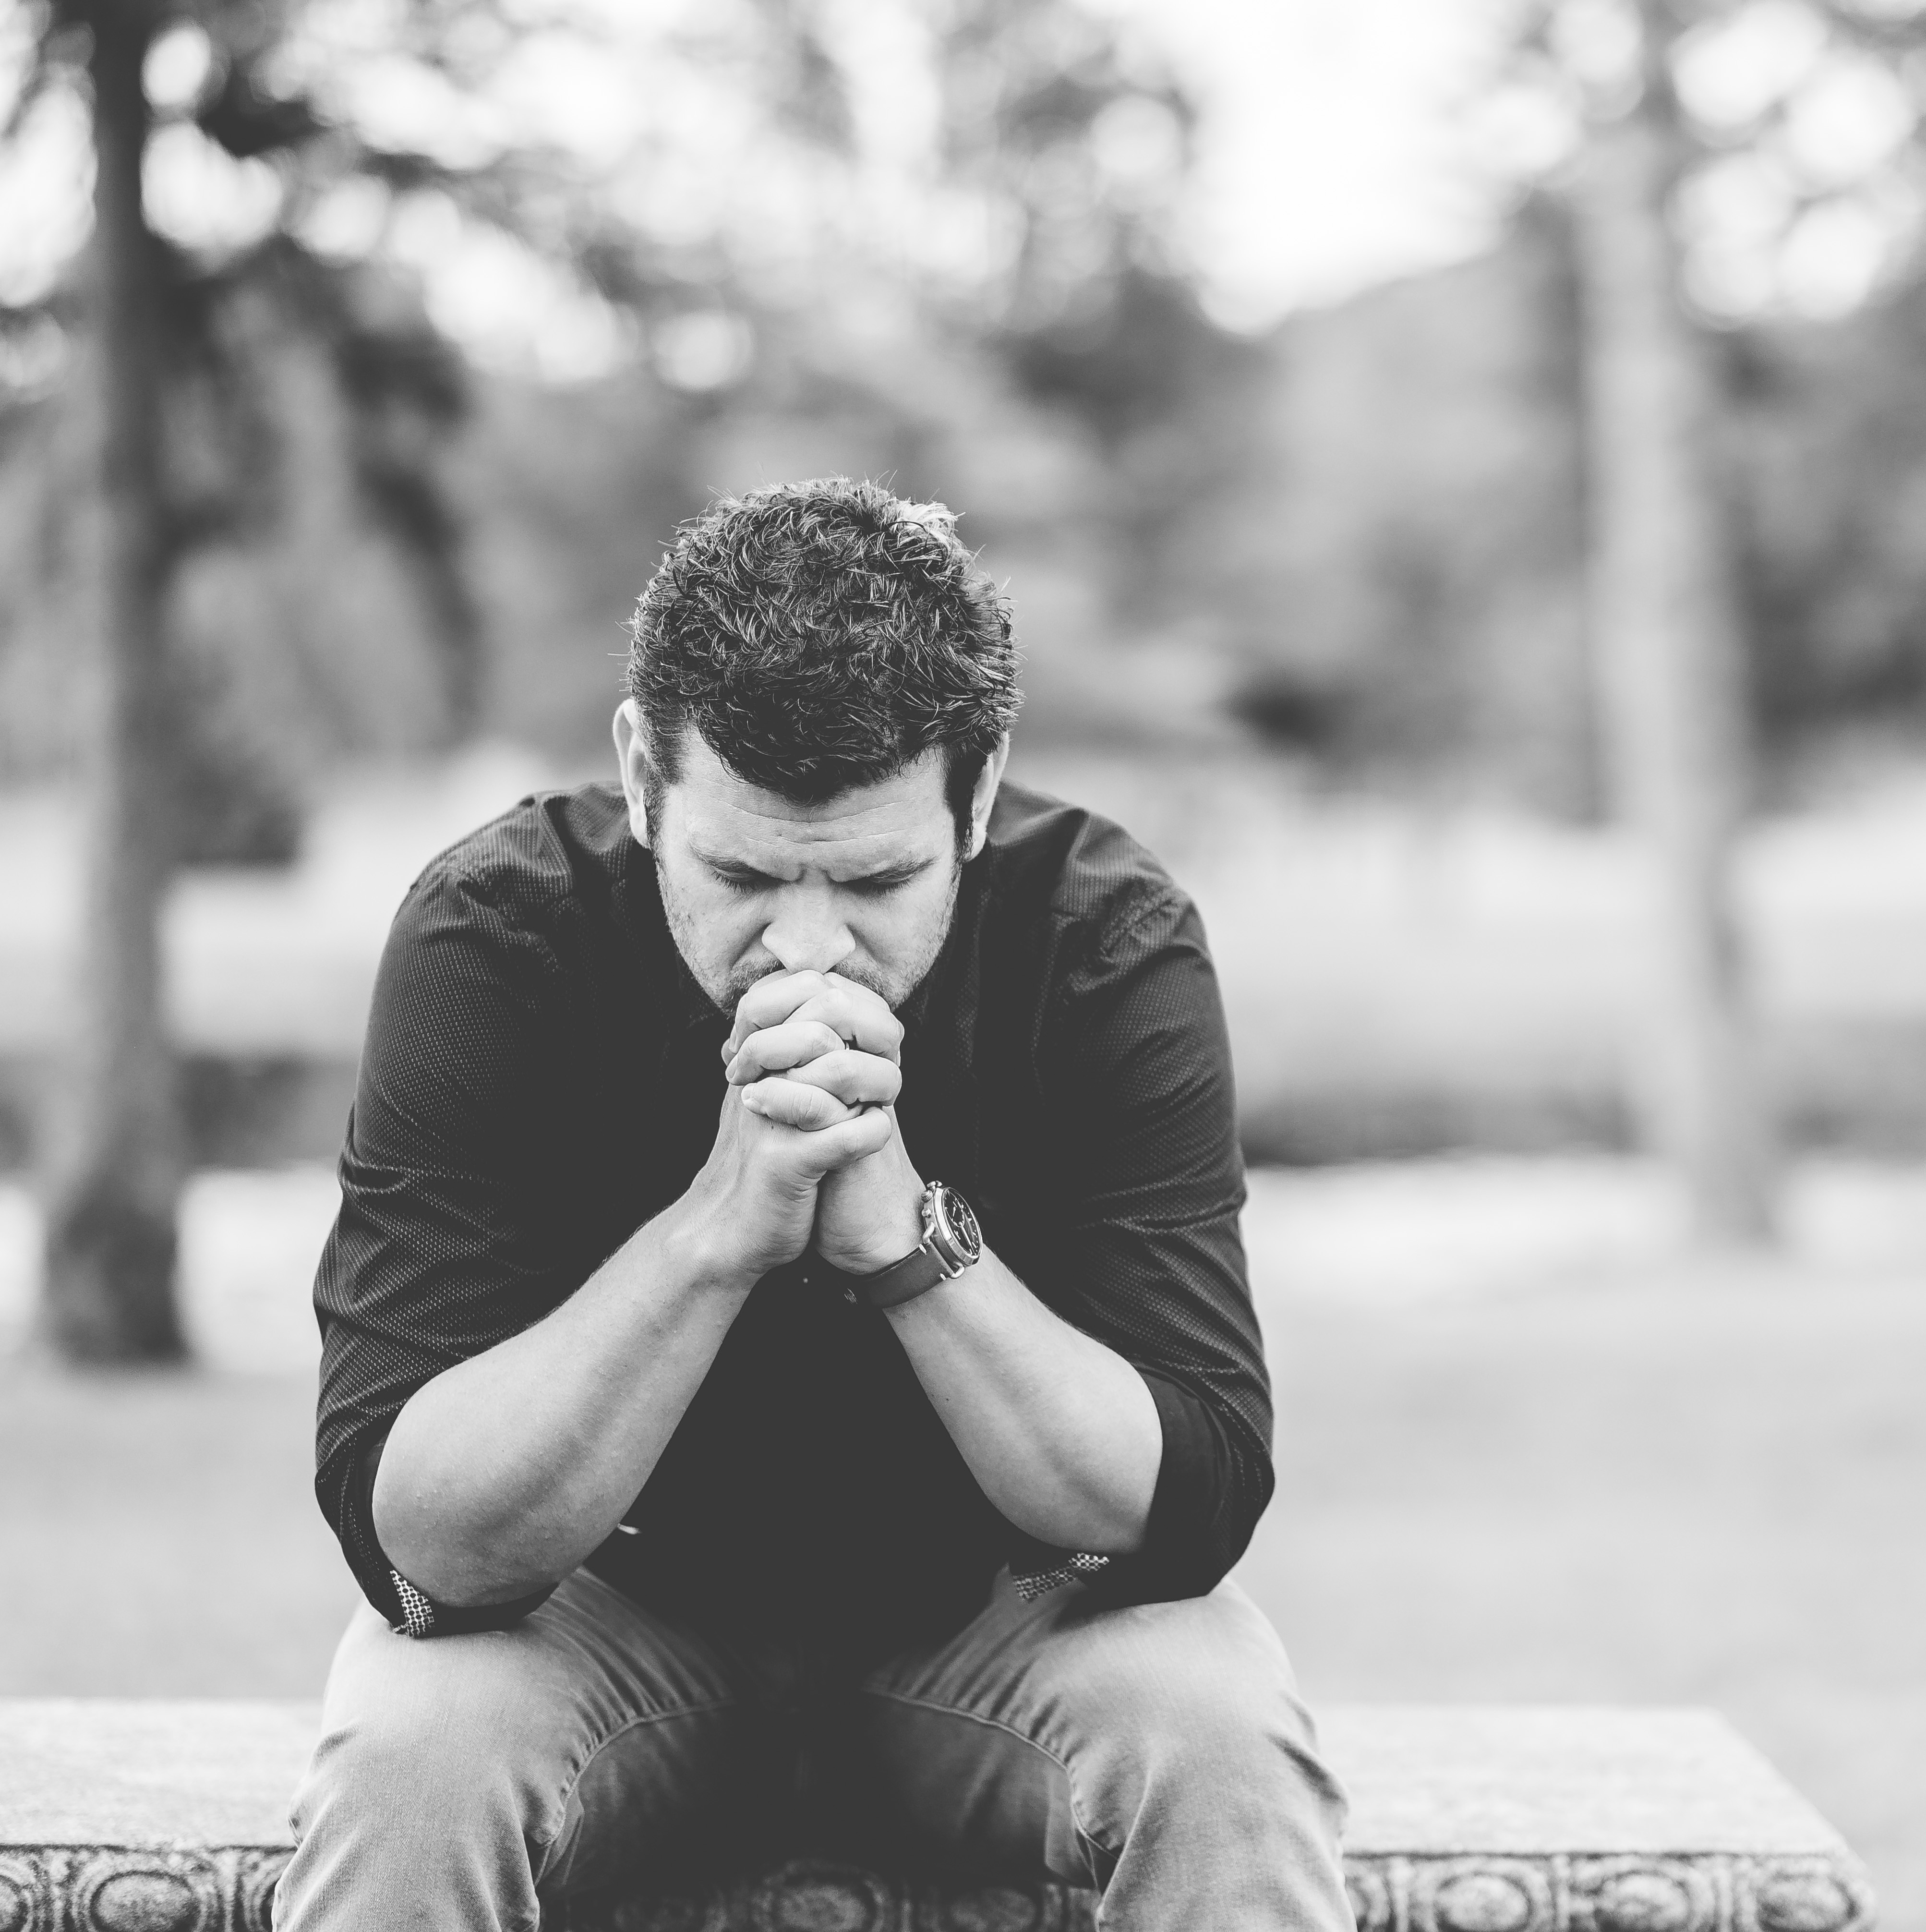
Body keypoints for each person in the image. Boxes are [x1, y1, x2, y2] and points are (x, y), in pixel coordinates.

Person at [275, 478, 1349, 1932]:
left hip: (996, 1623)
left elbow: (1188, 1501)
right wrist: (718, 1232)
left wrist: (906, 1240)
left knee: (1218, 1734)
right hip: (604, 1619)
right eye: (739, 872)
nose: (805, 948)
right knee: (415, 1758)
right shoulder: (499, 934)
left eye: (878, 880)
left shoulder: (1103, 935)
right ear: (643, 777)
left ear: (978, 793)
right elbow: (421, 1540)